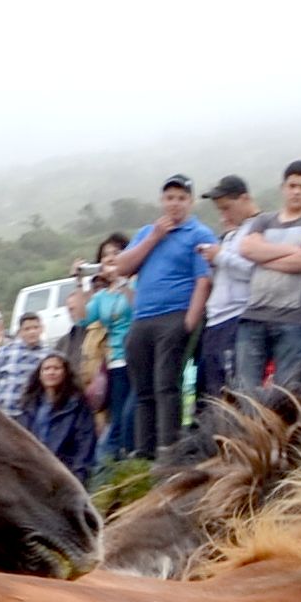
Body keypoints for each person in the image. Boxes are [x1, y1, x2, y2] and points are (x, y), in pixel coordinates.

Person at [110, 178, 215, 463]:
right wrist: (154, 237)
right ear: (162, 201)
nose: (175, 203)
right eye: (169, 197)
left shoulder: (199, 233)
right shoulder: (148, 232)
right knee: (143, 389)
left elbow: (203, 280)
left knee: (166, 385)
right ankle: (144, 451)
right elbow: (122, 267)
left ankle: (169, 448)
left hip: (175, 315)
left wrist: (189, 322)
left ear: (190, 202)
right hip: (143, 318)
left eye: (181, 198)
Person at [231, 164, 301, 396]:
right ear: (283, 188)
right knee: (245, 391)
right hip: (254, 315)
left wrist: (264, 257)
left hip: (294, 320)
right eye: (292, 185)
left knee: (286, 393)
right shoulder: (264, 221)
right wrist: (291, 250)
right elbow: (246, 248)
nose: (296, 191)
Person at [187, 175, 257, 424]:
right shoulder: (229, 235)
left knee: (230, 385)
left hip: (237, 316)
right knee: (210, 385)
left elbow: (255, 272)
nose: (224, 215)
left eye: (227, 208)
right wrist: (214, 260)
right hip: (215, 319)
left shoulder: (258, 229)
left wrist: (220, 257)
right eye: (220, 209)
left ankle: (233, 436)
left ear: (245, 199)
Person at [78, 238, 136, 462]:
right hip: (115, 361)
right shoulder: (102, 296)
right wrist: (80, 282)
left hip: (136, 356)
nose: (110, 258)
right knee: (119, 417)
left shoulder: (135, 282)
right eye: (105, 255)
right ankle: (115, 464)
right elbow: (83, 319)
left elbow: (137, 307)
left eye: (116, 252)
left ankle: (121, 460)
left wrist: (123, 281)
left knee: (130, 414)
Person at [18, 347, 100, 479]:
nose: (51, 372)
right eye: (46, 369)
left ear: (65, 372)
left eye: (56, 368)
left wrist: (79, 474)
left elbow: (85, 441)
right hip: (34, 472)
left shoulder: (77, 404)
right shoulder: (29, 405)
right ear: (39, 374)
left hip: (64, 472)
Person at [0, 312, 47, 418]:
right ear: (20, 332)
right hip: (3, 413)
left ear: (41, 329)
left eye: (35, 327)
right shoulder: (5, 351)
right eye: (27, 329)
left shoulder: (48, 355)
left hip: (30, 415)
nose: (32, 332)